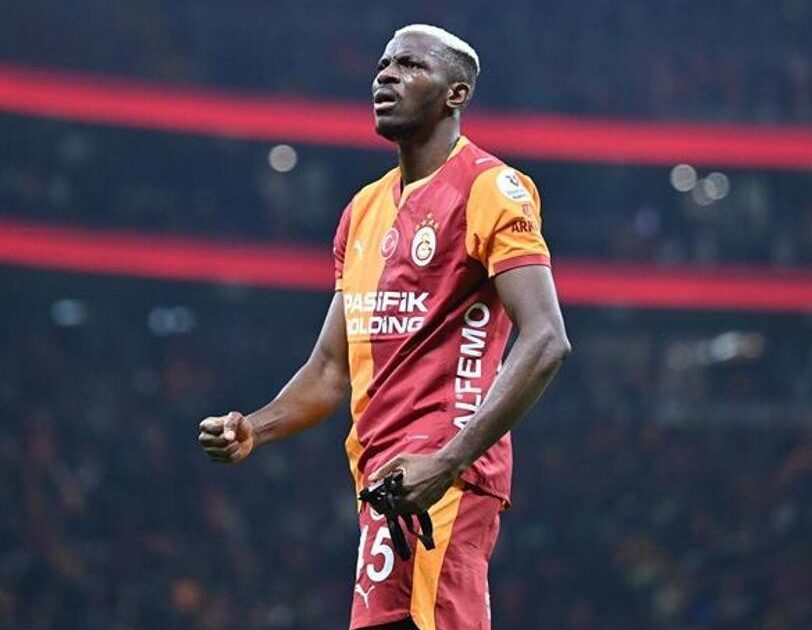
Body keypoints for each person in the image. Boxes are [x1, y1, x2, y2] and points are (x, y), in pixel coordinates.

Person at [199, 23, 570, 629]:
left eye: (410, 66)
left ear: (455, 94)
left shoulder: (490, 188)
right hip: (383, 480)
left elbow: (547, 338)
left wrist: (448, 462)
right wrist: (254, 429)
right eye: (383, 65)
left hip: (444, 478)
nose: (386, 76)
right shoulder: (362, 211)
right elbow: (330, 367)